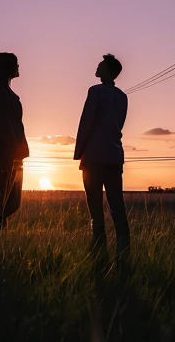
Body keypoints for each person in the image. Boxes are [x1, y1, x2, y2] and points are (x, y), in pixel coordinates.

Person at [74, 53, 130, 259]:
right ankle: (124, 252)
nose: (97, 66)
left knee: (95, 208)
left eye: (100, 65)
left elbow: (86, 122)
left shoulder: (95, 92)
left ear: (108, 70)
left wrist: (79, 151)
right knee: (117, 206)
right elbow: (119, 125)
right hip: (114, 156)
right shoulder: (122, 96)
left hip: (94, 157)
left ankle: (99, 251)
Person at [0, 52, 29, 259]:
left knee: (11, 204)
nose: (19, 66)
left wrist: (20, 152)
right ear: (7, 67)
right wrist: (15, 150)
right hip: (1, 157)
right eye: (16, 63)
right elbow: (4, 128)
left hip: (13, 157)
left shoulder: (6, 93)